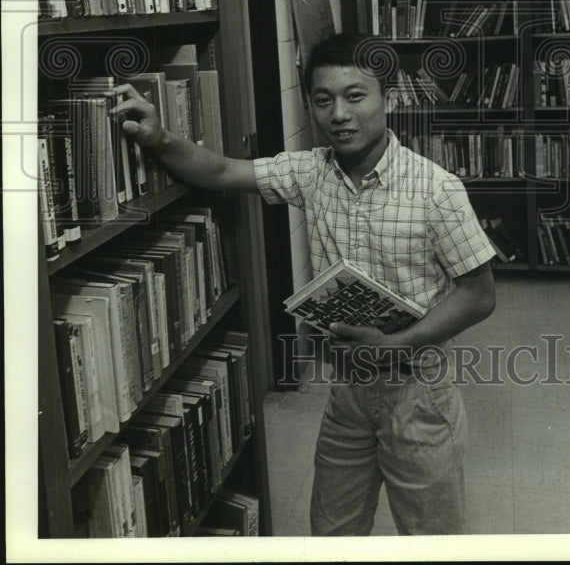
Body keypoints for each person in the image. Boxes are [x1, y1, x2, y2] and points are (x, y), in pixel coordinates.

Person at [111, 32, 497, 536]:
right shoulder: (311, 172)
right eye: (323, 100)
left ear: (390, 98)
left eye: (355, 96)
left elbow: (479, 294)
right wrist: (160, 138)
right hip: (347, 393)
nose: (339, 114)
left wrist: (397, 342)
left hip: (419, 393)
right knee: (332, 532)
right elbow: (224, 170)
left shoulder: (437, 189)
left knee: (431, 538)